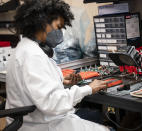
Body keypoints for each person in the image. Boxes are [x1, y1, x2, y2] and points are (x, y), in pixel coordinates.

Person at [5, 0, 110, 131]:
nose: (60, 33)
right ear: (42, 24)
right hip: (41, 125)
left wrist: (61, 81)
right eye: (58, 27)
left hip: (38, 119)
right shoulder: (33, 55)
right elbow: (52, 103)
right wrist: (88, 89)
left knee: (95, 116)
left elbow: (34, 86)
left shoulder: (26, 48)